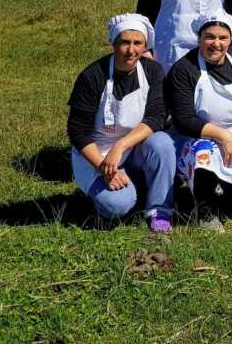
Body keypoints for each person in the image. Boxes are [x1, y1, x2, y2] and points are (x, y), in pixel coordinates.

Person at [166, 11, 232, 231]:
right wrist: (224, 137)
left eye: (222, 38)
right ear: (199, 38)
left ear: (230, 39)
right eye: (209, 37)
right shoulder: (184, 69)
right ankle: (205, 209)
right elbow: (184, 119)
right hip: (206, 139)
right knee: (203, 155)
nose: (216, 44)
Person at [67, 14, 175, 232]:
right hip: (96, 154)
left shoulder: (152, 71)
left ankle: (159, 210)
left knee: (162, 142)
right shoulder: (92, 76)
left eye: (138, 43)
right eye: (125, 42)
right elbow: (77, 131)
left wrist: (121, 146)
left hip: (130, 148)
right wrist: (104, 167)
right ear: (114, 42)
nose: (131, 50)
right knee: (118, 204)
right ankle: (105, 202)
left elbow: (156, 117)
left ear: (145, 46)